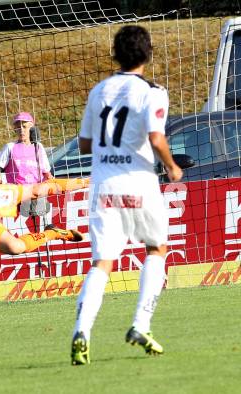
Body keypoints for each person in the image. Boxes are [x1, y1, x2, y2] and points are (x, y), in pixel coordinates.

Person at [70, 25, 183, 366]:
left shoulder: (99, 90)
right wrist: (173, 167)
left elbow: (85, 144)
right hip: (138, 183)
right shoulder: (152, 92)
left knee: (101, 263)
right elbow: (156, 137)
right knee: (156, 248)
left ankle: (82, 331)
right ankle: (140, 325)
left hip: (104, 186)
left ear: (115, 54)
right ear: (148, 54)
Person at [0, 112, 53, 185]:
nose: (21, 130)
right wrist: (5, 188)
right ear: (15, 130)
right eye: (18, 127)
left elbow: (47, 174)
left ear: (32, 128)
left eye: (24, 126)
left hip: (37, 193)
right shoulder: (10, 147)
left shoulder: (38, 147)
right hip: (18, 194)